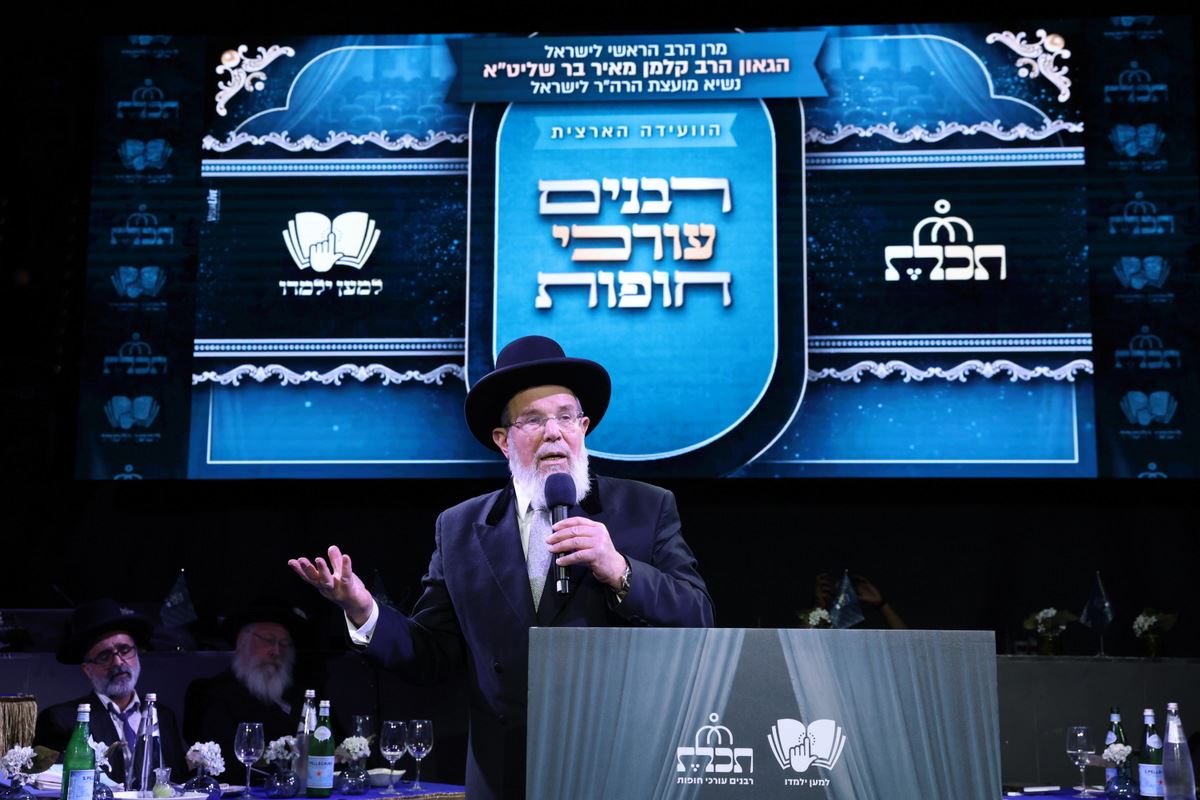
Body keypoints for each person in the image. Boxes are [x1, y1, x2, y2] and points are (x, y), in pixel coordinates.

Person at [290, 335, 714, 799]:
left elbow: (698, 617)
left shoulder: (644, 508)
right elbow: (433, 653)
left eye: (566, 417)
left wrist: (619, 570)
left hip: (619, 766)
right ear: (503, 439)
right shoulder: (459, 528)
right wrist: (363, 609)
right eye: (533, 420)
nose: (554, 432)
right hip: (505, 774)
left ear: (584, 427)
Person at [34, 598, 186, 785]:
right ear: (87, 669)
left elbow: (179, 781)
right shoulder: (62, 720)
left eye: (124, 650)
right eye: (104, 656)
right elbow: (53, 785)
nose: (118, 662)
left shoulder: (163, 716)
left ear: (136, 653)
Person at [183, 604, 305, 778]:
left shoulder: (300, 696)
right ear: (243, 642)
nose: (276, 651)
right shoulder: (210, 693)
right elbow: (220, 762)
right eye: (268, 640)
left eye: (284, 644)